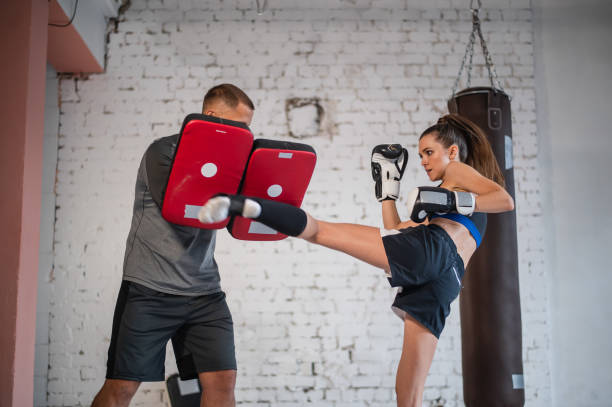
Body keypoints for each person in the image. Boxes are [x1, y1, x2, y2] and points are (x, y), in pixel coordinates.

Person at [197, 114, 514, 407]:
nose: (423, 161)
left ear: (453, 152)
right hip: (445, 279)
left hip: (435, 251)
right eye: (420, 155)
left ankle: (243, 204)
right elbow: (396, 232)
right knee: (409, 394)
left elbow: (505, 200)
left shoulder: (458, 174)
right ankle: (246, 205)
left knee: (320, 231)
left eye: (429, 152)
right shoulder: (443, 203)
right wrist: (388, 194)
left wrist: (449, 198)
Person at [92, 84, 255, 407]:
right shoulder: (163, 152)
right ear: (210, 116)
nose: (242, 135)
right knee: (122, 386)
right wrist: (233, 195)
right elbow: (182, 209)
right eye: (237, 125)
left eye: (246, 129)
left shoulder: (231, 162)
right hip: (150, 289)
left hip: (204, 292)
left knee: (223, 381)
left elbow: (242, 214)